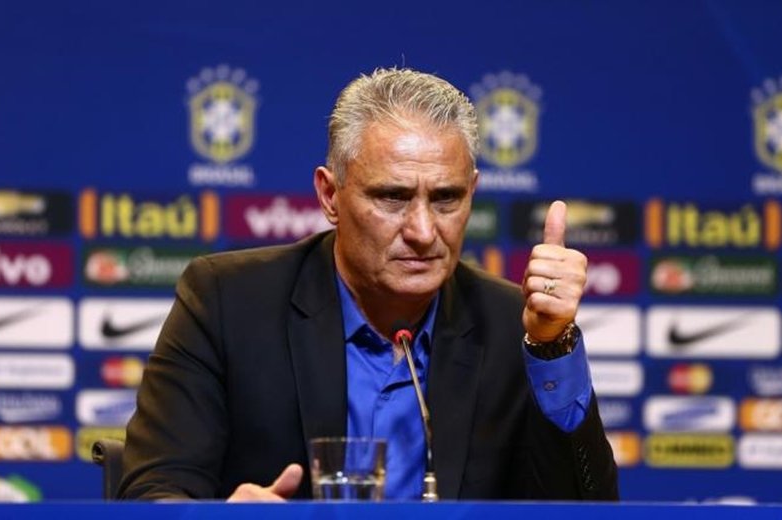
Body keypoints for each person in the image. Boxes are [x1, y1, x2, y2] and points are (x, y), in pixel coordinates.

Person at [118, 67, 618, 501]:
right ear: (330, 196)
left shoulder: (514, 327)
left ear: (473, 193)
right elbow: (152, 490)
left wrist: (551, 347)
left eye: (446, 198)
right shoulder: (229, 303)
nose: (423, 231)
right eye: (392, 198)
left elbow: (587, 508)